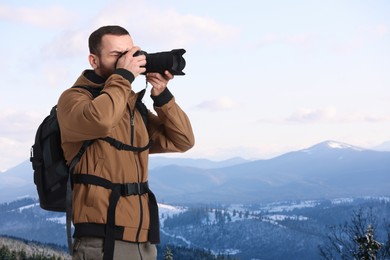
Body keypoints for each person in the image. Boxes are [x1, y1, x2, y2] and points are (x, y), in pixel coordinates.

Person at [57, 25, 195, 260]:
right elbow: (100, 121)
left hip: (143, 241)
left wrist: (161, 94)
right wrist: (123, 77)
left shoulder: (132, 107)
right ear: (94, 60)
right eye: (116, 55)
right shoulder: (74, 99)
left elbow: (182, 140)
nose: (126, 60)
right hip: (100, 240)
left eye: (129, 53)